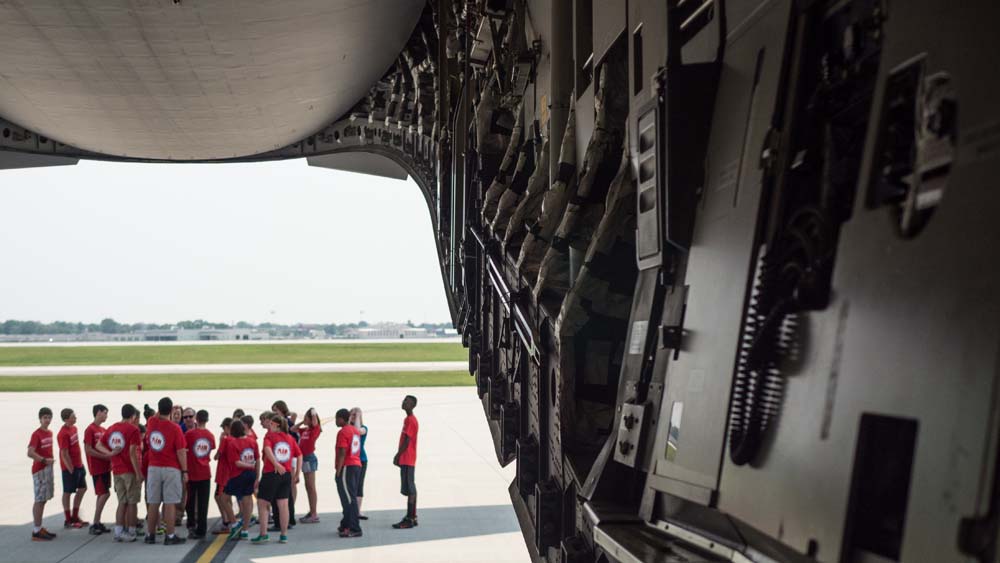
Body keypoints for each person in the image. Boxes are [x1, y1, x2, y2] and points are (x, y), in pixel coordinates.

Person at [144, 397, 188, 545]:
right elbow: (181, 451)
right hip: (171, 468)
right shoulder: (175, 428)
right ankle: (169, 536)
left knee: (153, 502)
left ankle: (150, 534)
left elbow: (156, 415)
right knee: (170, 503)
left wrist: (163, 410)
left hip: (153, 467)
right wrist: (185, 470)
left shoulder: (151, 422)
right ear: (170, 410)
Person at [97, 404, 142, 542]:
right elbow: (132, 453)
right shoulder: (133, 429)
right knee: (132, 501)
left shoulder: (112, 428)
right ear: (133, 416)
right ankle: (132, 530)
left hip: (116, 470)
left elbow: (98, 444)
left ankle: (119, 530)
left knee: (122, 501)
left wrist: (110, 453)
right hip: (129, 470)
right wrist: (138, 473)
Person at [253, 414, 300, 544]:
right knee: (283, 504)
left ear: (276, 425)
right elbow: (299, 455)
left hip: (272, 473)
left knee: (262, 503)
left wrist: (275, 464)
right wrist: (297, 473)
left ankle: (263, 534)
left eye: (272, 424)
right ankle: (284, 534)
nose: (269, 426)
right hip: (286, 474)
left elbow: (267, 449)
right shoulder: (290, 438)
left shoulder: (270, 436)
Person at [221, 419, 259, 541]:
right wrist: (257, 476)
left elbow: (237, 463)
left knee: (224, 498)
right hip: (251, 475)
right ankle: (245, 530)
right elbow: (257, 459)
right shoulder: (253, 442)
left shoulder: (233, 444)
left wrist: (249, 466)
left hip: (238, 475)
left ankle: (234, 522)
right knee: (247, 501)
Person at [28, 407, 57, 542]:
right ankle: (36, 530)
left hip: (48, 469)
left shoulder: (49, 432)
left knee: (44, 498)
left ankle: (39, 527)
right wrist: (44, 460)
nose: (47, 420)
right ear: (40, 419)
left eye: (49, 417)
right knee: (39, 499)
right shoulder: (36, 434)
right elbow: (30, 452)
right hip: (40, 470)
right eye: (45, 417)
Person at [184, 409, 215, 539]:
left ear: (196, 418)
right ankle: (202, 529)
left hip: (192, 471)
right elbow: (212, 448)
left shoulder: (189, 434)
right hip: (205, 472)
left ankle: (191, 525)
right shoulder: (210, 435)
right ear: (207, 420)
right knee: (203, 503)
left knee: (190, 501)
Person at [83, 404, 113, 535]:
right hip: (97, 468)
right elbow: (88, 449)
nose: (106, 415)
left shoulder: (103, 429)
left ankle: (98, 521)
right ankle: (95, 522)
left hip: (105, 467)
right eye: (105, 413)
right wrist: (104, 456)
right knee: (105, 493)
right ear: (98, 412)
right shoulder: (90, 430)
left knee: (103, 493)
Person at [57, 408, 89, 529]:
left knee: (82, 488)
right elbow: (64, 453)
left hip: (79, 465)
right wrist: (71, 469)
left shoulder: (74, 428)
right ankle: (68, 519)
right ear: (66, 419)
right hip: (70, 468)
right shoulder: (63, 434)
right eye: (73, 416)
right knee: (68, 492)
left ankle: (75, 516)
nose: (75, 417)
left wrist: (80, 465)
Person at [334, 408, 363, 538]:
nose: (336, 421)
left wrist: (338, 471)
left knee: (349, 499)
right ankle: (345, 524)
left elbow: (342, 453)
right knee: (349, 497)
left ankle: (354, 527)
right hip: (356, 465)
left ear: (342, 419)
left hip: (348, 466)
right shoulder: (355, 431)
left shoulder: (343, 432)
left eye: (337, 418)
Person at [392, 395, 419, 529]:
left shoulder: (411, 421)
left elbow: (407, 440)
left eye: (407, 402)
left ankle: (410, 517)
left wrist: (398, 455)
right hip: (406, 458)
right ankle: (412, 516)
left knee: (410, 487)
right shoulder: (407, 419)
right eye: (403, 400)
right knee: (408, 487)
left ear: (412, 405)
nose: (403, 403)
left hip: (408, 458)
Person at [295, 408, 322, 523]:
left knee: (311, 487)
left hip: (309, 458)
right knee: (308, 487)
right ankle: (312, 511)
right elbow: (293, 429)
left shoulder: (315, 430)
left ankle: (314, 513)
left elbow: (315, 422)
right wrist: (303, 422)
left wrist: (313, 412)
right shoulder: (305, 430)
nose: (304, 419)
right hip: (304, 459)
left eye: (306, 417)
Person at [212, 417, 235, 534]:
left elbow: (217, 456)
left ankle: (228, 521)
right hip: (230, 473)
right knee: (226, 498)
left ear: (227, 428)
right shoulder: (235, 439)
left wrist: (221, 440)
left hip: (223, 474)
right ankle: (229, 521)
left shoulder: (226, 440)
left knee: (220, 498)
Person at [349, 408, 369, 520]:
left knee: (359, 484)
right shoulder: (348, 427)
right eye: (351, 415)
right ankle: (351, 509)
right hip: (351, 459)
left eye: (354, 415)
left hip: (361, 459)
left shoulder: (363, 428)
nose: (352, 417)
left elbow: (357, 431)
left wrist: (357, 416)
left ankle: (357, 511)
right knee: (351, 485)